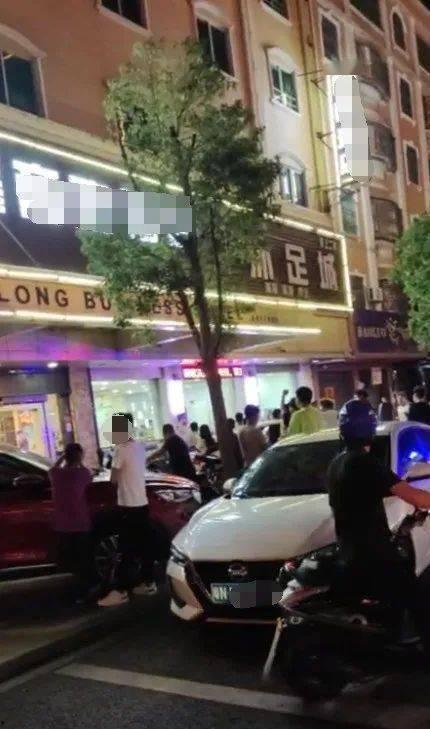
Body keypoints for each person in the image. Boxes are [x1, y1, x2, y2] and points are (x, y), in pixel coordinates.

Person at [327, 398, 430, 656]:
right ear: (370, 429)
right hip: (374, 557)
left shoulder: (336, 463)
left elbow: (358, 503)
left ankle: (393, 634)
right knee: (420, 597)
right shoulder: (366, 463)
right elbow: (415, 497)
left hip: (348, 552)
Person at [98, 413, 157, 608]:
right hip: (142, 503)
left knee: (126, 549)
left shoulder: (121, 449)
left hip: (128, 506)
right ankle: (147, 583)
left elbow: (113, 479)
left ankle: (121, 591)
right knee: (145, 546)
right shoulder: (139, 447)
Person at [49, 443, 94, 603]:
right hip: (80, 523)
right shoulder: (83, 473)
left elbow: (51, 468)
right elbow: (89, 477)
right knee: (83, 560)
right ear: (80, 457)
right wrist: (80, 462)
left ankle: (74, 592)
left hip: (63, 526)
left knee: (72, 561)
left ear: (66, 456)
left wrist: (62, 457)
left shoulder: (56, 474)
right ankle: (84, 592)